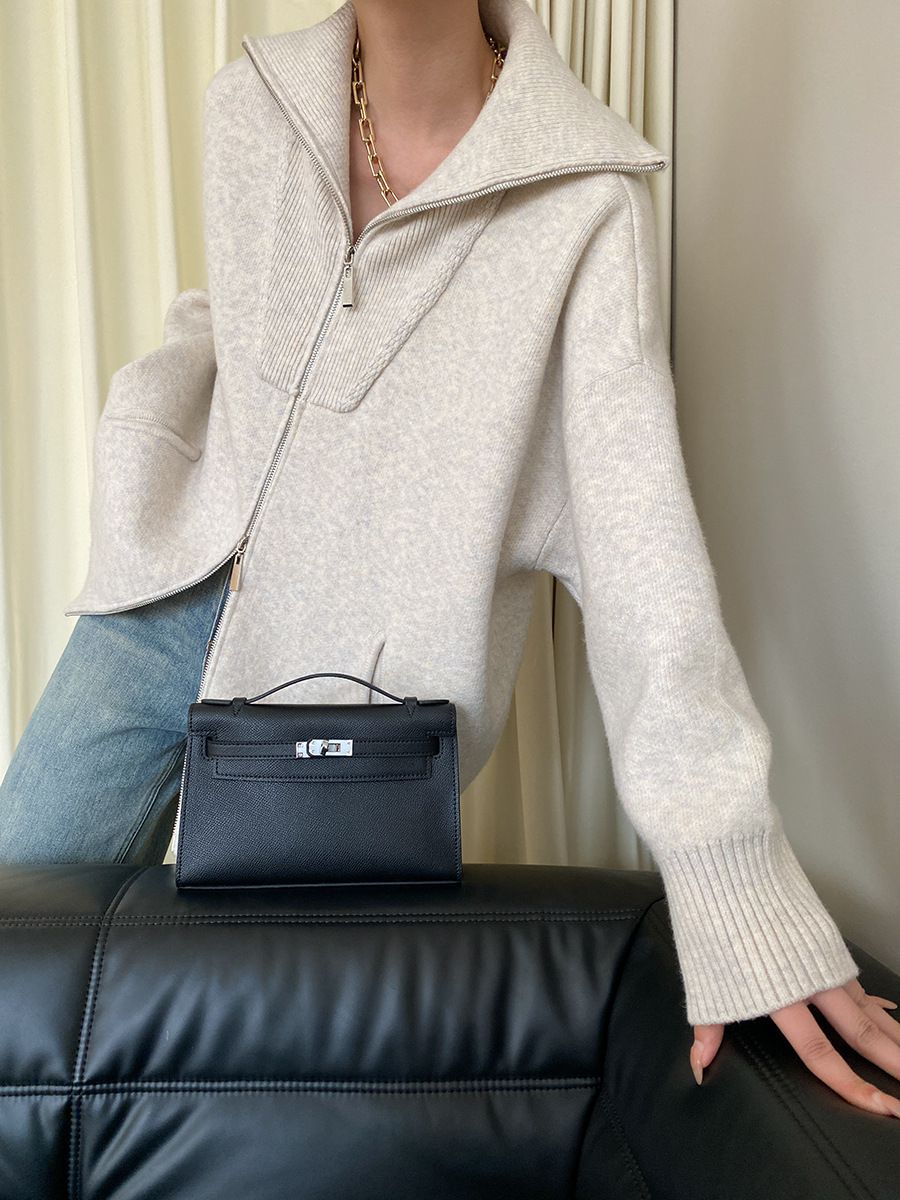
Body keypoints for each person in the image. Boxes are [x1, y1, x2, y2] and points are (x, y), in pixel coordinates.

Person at [1, 0, 898, 1115]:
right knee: (13, 940)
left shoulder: (583, 206)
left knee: (259, 1086)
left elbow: (646, 567)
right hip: (160, 608)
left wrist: (738, 884)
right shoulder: (250, 108)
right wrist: (149, 426)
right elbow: (245, 325)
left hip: (347, 714)